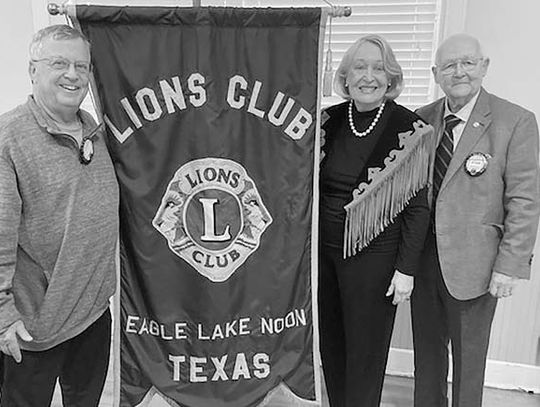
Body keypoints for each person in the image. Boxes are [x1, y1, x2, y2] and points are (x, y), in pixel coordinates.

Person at [411, 33, 540, 407]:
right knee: (427, 359)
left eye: (468, 62)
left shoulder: (515, 121)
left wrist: (510, 266)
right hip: (423, 261)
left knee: (469, 364)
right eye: (449, 65)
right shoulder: (421, 120)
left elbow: (525, 199)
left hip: (477, 266)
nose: (459, 71)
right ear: (436, 74)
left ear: (484, 67)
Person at [0, 25, 118, 406]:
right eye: (59, 63)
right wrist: (3, 316)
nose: (72, 75)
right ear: (32, 70)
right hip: (33, 330)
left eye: (81, 67)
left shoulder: (95, 132)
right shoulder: (9, 138)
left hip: (93, 318)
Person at [318, 34, 434, 407]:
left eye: (378, 68)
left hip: (377, 259)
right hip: (323, 256)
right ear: (345, 77)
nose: (369, 76)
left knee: (366, 354)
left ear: (391, 78)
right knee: (332, 345)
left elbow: (418, 207)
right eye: (360, 67)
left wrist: (406, 269)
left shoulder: (410, 128)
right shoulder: (327, 121)